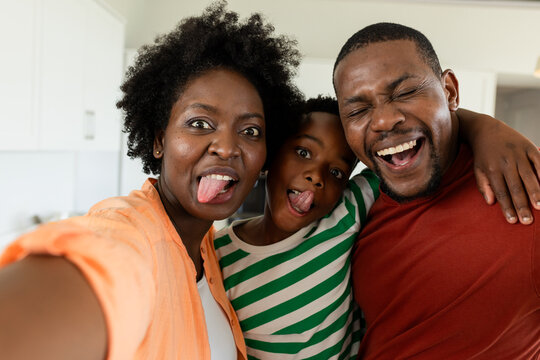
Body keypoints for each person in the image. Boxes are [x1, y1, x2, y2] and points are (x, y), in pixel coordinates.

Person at [0, 2, 303, 360]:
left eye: (250, 130)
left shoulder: (205, 245)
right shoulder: (133, 235)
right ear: (159, 140)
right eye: (200, 123)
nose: (226, 147)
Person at [213, 95, 539, 359]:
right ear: (270, 155)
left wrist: (484, 127)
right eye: (302, 152)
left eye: (337, 172)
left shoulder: (344, 212)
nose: (317, 175)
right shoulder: (217, 254)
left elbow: (419, 145)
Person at [333, 22, 540, 359]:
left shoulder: (525, 194)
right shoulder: (351, 206)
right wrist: (482, 125)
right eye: (357, 110)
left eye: (404, 92)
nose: (384, 121)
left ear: (450, 92)